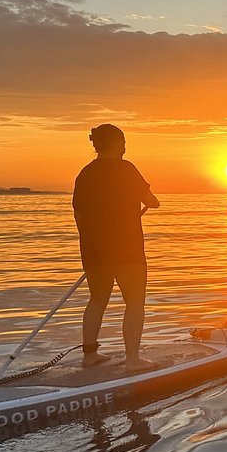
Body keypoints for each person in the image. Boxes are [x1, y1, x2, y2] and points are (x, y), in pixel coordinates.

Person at [73, 123, 160, 370]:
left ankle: (90, 354)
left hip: (93, 250)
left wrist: (92, 245)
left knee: (97, 300)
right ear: (114, 143)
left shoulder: (85, 173)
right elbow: (152, 202)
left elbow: (78, 214)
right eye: (123, 141)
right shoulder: (126, 169)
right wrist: (149, 197)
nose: (125, 146)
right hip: (127, 249)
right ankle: (133, 359)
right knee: (134, 301)